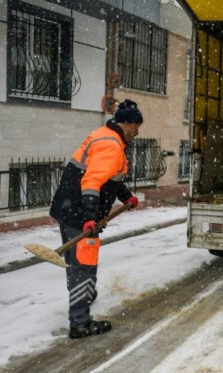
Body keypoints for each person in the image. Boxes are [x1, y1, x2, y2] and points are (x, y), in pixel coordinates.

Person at [49, 99, 142, 339]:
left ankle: (83, 295)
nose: (138, 132)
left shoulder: (105, 136)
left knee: (75, 264)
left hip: (68, 208)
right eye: (137, 126)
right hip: (81, 214)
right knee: (84, 267)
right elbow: (91, 182)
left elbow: (109, 178)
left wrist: (126, 197)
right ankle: (80, 323)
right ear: (129, 124)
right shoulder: (112, 145)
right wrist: (90, 218)